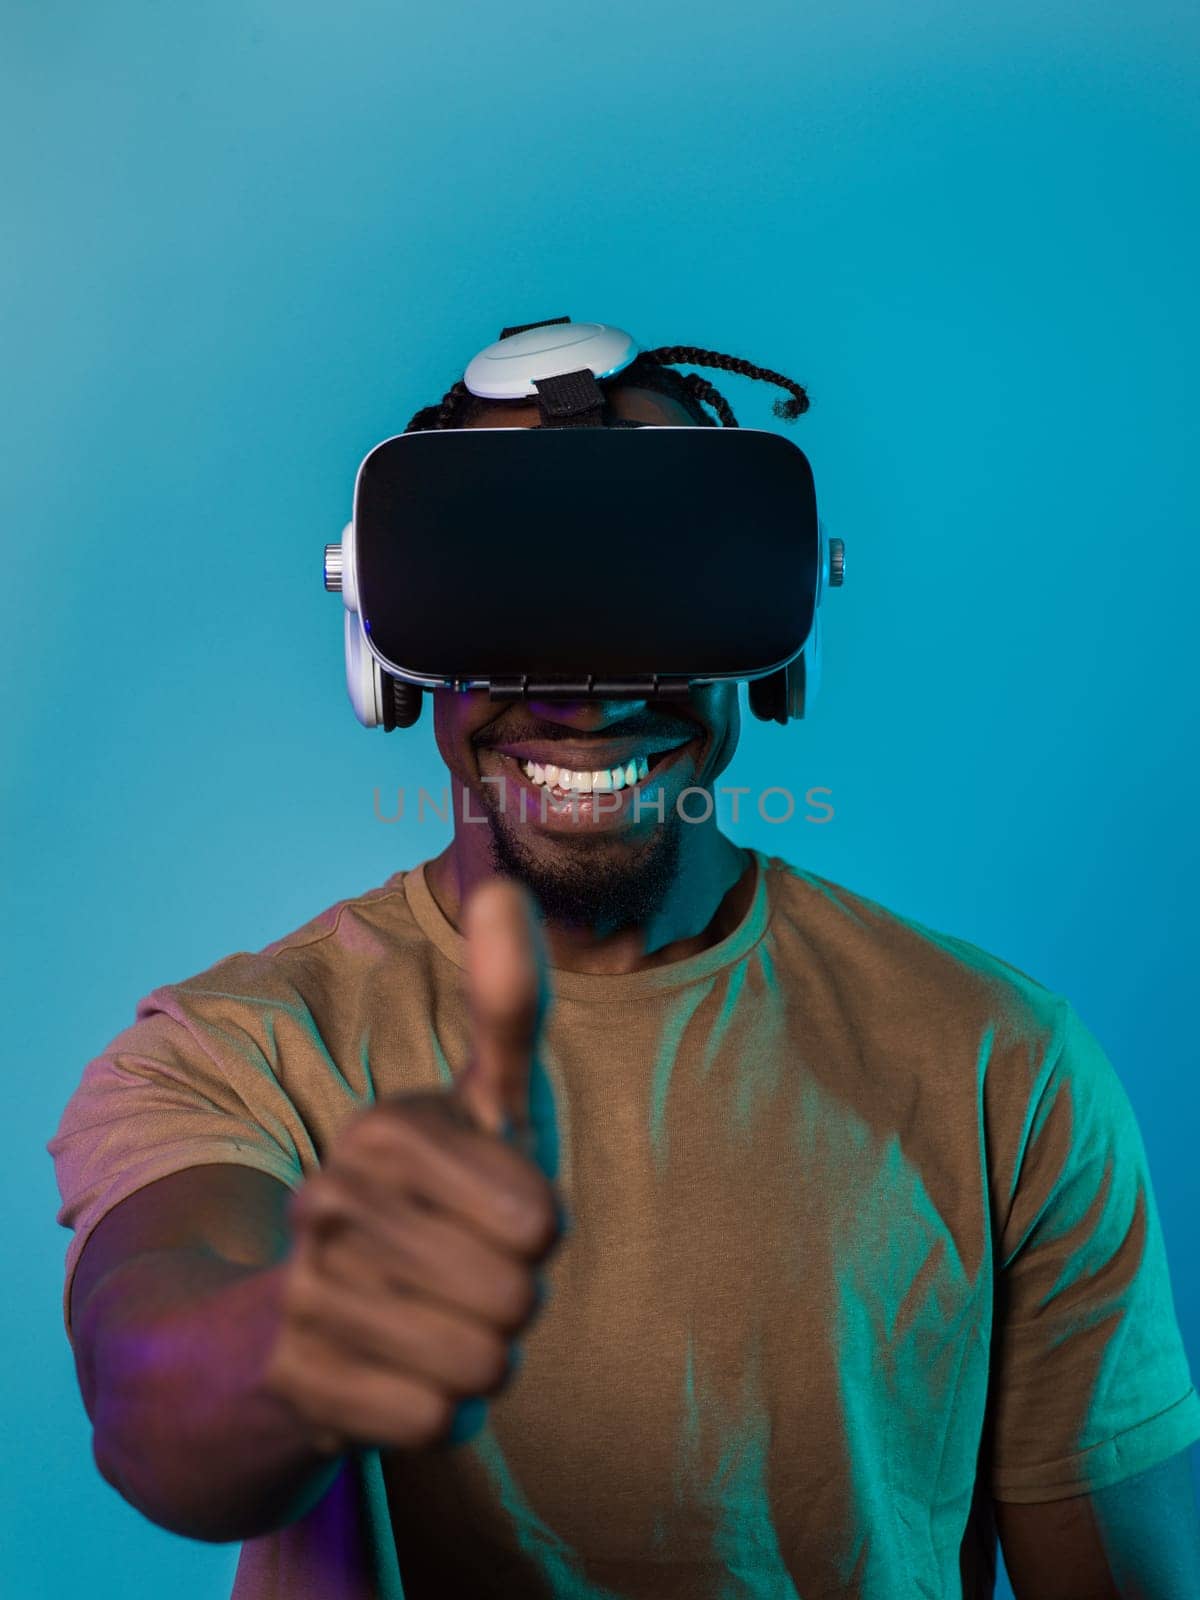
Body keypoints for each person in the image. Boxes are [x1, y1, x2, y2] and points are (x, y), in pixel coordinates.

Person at [50, 345, 1200, 1599]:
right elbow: (150, 1394)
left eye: (649, 589)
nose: (585, 699)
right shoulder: (244, 1055)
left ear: (772, 636)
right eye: (508, 599)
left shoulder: (1002, 1068)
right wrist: (302, 1340)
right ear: (386, 651)